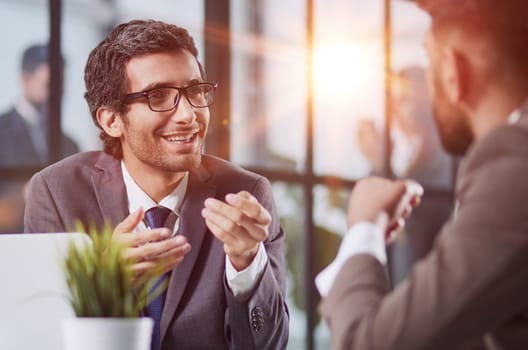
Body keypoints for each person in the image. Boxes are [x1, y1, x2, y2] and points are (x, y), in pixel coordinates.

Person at [24, 20, 288, 350]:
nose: (189, 115)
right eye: (159, 96)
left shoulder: (245, 196)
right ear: (111, 120)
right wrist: (101, 281)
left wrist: (247, 265)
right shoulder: (56, 192)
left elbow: (268, 346)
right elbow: (41, 337)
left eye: (195, 91)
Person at [316, 0, 528, 349]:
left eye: (430, 59)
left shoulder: (513, 172)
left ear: (452, 71)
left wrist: (364, 229)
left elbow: (366, 344)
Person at [357, 66, 454, 283]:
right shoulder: (420, 164)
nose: (393, 110)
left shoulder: (447, 163)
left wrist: (380, 163)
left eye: (403, 99)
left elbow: (408, 217)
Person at [0, 43, 79, 167]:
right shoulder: (2, 133)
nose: (56, 94)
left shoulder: (70, 146)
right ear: (25, 79)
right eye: (48, 85)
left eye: (60, 85)